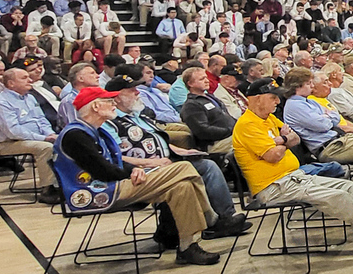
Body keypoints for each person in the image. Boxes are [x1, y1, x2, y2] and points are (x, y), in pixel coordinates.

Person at [232, 78, 353, 261]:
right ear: (256, 99)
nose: (278, 102)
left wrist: (282, 141)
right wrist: (284, 140)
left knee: (348, 187)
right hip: (273, 187)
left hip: (293, 177)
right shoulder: (248, 124)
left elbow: (295, 138)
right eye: (273, 98)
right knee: (339, 197)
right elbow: (273, 155)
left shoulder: (269, 118)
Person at [54, 87, 221, 265]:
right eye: (109, 101)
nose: (114, 104)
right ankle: (211, 217)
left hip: (113, 183)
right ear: (96, 106)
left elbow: (112, 161)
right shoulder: (75, 135)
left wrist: (133, 168)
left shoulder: (93, 130)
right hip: (100, 191)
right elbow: (103, 171)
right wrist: (131, 170)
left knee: (182, 186)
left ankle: (188, 247)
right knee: (183, 168)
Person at [105, 75, 252, 247]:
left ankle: (223, 217)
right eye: (132, 91)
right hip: (141, 171)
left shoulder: (138, 115)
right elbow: (113, 156)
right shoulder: (111, 122)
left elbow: (158, 139)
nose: (138, 93)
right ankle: (209, 222)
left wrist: (180, 150)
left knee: (206, 166)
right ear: (116, 96)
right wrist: (151, 163)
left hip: (166, 160)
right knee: (192, 173)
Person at [0, 68, 61, 203]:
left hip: (31, 138)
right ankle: (47, 189)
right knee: (45, 147)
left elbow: (41, 120)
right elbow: (13, 132)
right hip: (5, 143)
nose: (30, 80)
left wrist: (50, 133)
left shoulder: (30, 97)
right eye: (24, 78)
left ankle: (65, 183)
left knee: (65, 141)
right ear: (11, 83)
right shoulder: (1, 103)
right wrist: (43, 138)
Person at [179, 67, 236, 153]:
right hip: (215, 144)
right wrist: (230, 130)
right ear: (190, 84)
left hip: (230, 136)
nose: (207, 81)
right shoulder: (191, 105)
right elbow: (203, 131)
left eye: (206, 77)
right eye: (202, 79)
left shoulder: (210, 97)